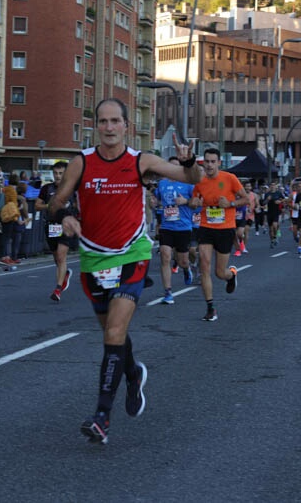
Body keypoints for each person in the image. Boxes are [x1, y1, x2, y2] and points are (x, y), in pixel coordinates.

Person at [48, 98, 200, 444]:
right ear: (96, 126)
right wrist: (65, 215)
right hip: (94, 258)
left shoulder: (140, 161)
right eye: (102, 121)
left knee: (115, 332)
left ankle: (102, 415)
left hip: (132, 253)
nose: (109, 127)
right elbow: (55, 203)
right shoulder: (81, 163)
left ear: (126, 126)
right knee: (111, 334)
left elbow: (189, 178)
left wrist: (189, 160)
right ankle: (133, 375)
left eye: (115, 120)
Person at [189, 148, 247, 322]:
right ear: (203, 163)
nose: (209, 165)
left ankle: (231, 275)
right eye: (207, 161)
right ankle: (210, 308)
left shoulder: (230, 179)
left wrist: (230, 203)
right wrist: (194, 203)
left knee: (219, 273)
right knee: (204, 265)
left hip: (225, 228)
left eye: (213, 161)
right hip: (206, 227)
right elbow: (193, 202)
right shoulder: (199, 181)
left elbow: (245, 199)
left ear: (219, 163)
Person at [154, 157, 196, 304]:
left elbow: (197, 203)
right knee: (165, 256)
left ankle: (186, 268)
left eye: (176, 167)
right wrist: (154, 202)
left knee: (182, 260)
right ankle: (168, 292)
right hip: (166, 227)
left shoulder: (188, 185)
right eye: (170, 166)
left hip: (183, 227)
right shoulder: (162, 184)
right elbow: (157, 200)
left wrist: (185, 201)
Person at [36, 161, 79, 301]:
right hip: (51, 225)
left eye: (61, 173)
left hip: (67, 227)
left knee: (61, 256)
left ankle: (58, 289)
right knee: (57, 258)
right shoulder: (46, 189)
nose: (57, 176)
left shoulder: (73, 189)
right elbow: (37, 205)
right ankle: (64, 274)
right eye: (55, 173)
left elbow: (80, 206)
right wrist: (49, 205)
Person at [0, 176, 22, 266]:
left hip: (4, 213)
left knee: (5, 236)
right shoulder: (12, 191)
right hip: (9, 214)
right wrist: (18, 214)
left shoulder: (5, 189)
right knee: (7, 237)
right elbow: (13, 205)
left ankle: (5, 256)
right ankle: (5, 257)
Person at [263, 180, 286, 247]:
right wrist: (267, 199)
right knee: (270, 229)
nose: (273, 186)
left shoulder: (278, 193)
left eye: (274, 185)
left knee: (275, 225)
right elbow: (264, 203)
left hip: (276, 212)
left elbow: (284, 199)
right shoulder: (267, 194)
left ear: (276, 186)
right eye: (271, 185)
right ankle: (272, 240)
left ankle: (275, 236)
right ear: (270, 186)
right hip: (269, 212)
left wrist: (280, 201)